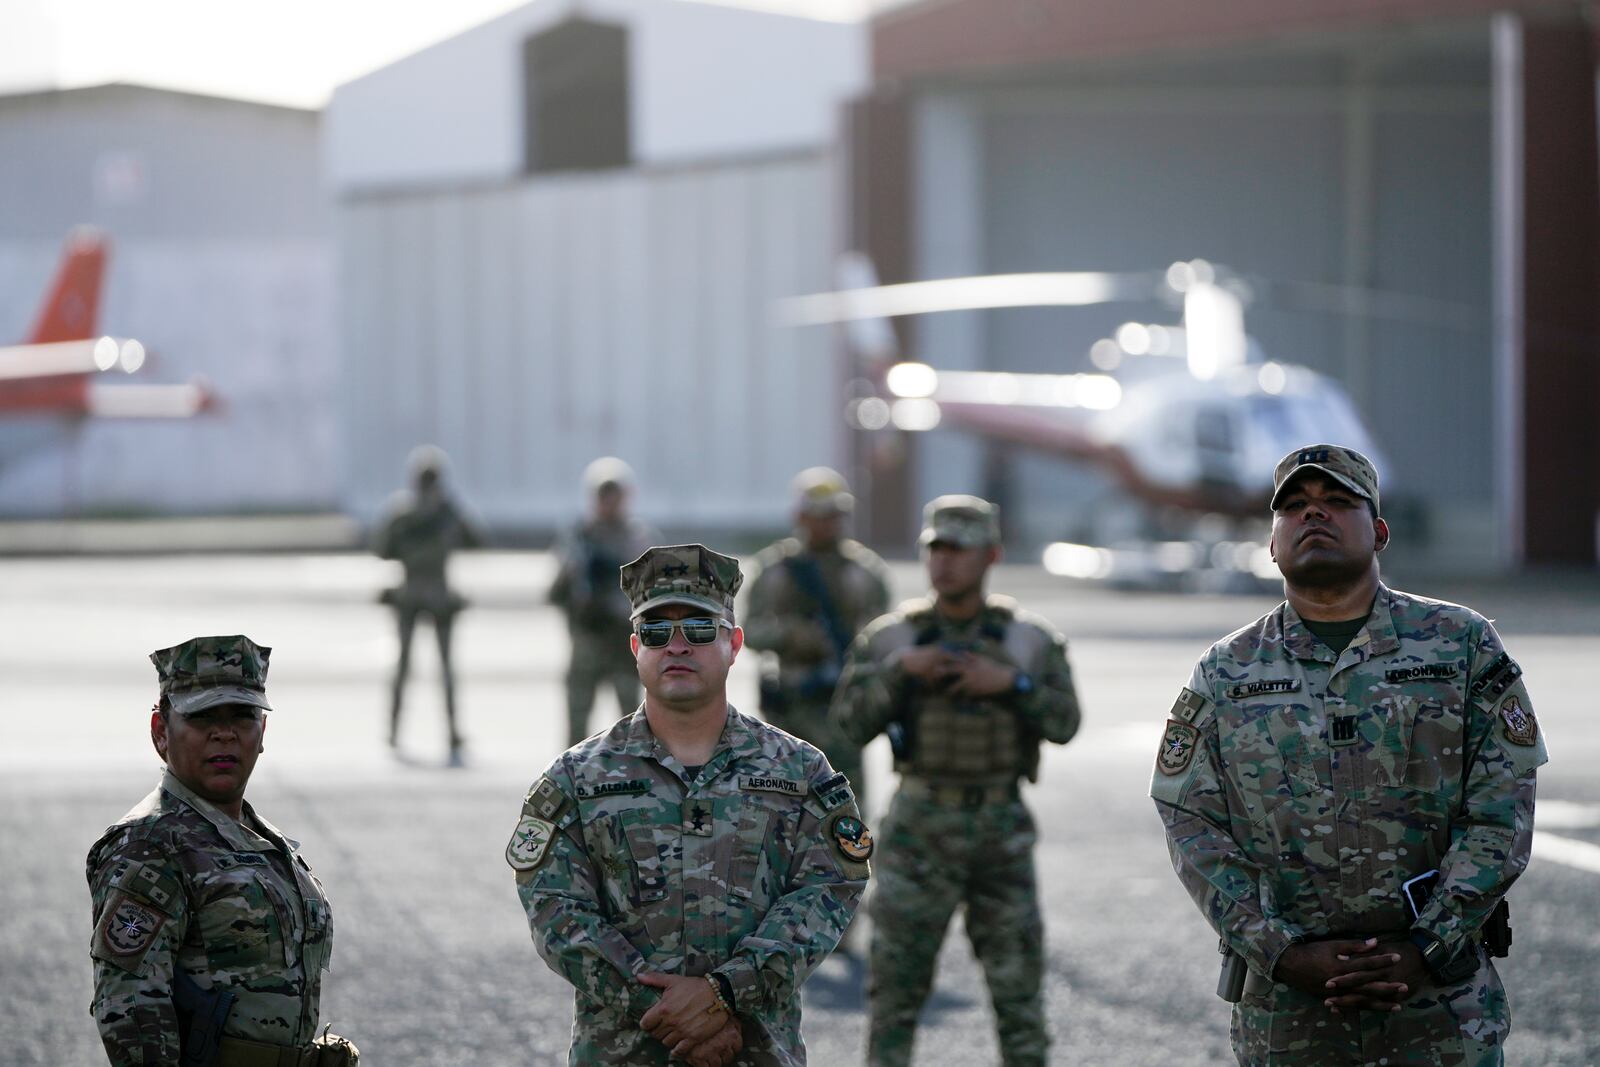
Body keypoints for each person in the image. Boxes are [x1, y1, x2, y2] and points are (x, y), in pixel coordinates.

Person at [1150, 444, 1548, 1066]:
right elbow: (1191, 822)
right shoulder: (1227, 669)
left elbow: (1503, 808)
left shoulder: (1460, 644)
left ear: (1380, 531)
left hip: (1439, 1006)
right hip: (1290, 1013)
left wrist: (1427, 944)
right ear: (1272, 543)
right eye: (1296, 507)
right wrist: (1281, 952)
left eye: (1338, 502)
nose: (1316, 515)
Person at [509, 544, 870, 1066]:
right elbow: (556, 912)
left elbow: (828, 888)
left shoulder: (800, 772)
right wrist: (670, 1010)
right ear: (635, 646)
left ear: (735, 644)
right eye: (657, 632)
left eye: (700, 630)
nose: (677, 646)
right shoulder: (575, 779)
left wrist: (725, 992)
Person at [832, 496, 1082, 1067]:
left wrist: (1012, 685)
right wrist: (898, 674)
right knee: (895, 993)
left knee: (1019, 996)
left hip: (1001, 831)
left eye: (958, 549)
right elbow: (847, 723)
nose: (943, 562)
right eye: (934, 549)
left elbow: (1066, 724)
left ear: (990, 555)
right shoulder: (894, 639)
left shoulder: (1028, 641)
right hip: (919, 828)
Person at [86, 635, 357, 1066]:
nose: (225, 733)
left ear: (262, 730)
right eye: (203, 716)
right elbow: (131, 1012)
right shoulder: (150, 846)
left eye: (243, 715)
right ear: (161, 731)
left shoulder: (260, 839)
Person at [743, 466, 891, 814]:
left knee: (846, 813)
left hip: (842, 709)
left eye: (834, 516)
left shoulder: (865, 572)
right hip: (790, 708)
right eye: (819, 515)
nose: (827, 524)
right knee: (780, 813)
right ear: (800, 516)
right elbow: (748, 630)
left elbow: (884, 636)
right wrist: (790, 636)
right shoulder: (776, 569)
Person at [372, 444, 482, 761]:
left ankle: (418, 730)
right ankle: (432, 732)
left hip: (419, 594)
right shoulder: (419, 513)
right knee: (421, 667)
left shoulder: (409, 512)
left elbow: (381, 547)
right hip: (429, 594)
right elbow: (476, 539)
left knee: (424, 668)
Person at [548, 456, 658, 746]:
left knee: (634, 724)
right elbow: (557, 590)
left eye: (614, 495)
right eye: (603, 495)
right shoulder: (578, 538)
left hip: (623, 642)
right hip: (588, 639)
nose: (609, 502)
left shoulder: (638, 538)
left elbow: (655, 590)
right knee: (577, 722)